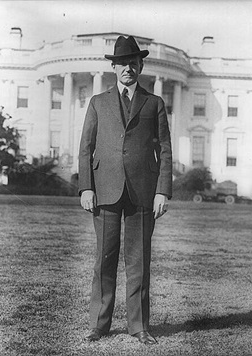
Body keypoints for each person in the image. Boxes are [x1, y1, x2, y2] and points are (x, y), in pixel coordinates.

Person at [78, 35, 172, 345]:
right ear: (114, 67)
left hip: (143, 191)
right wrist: (85, 188)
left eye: (133, 62)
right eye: (122, 63)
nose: (128, 68)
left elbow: (166, 150)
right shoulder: (98, 102)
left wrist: (163, 191)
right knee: (104, 259)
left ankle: (139, 325)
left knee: (139, 261)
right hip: (104, 190)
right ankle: (99, 325)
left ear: (141, 65)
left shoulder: (154, 103)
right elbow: (86, 147)